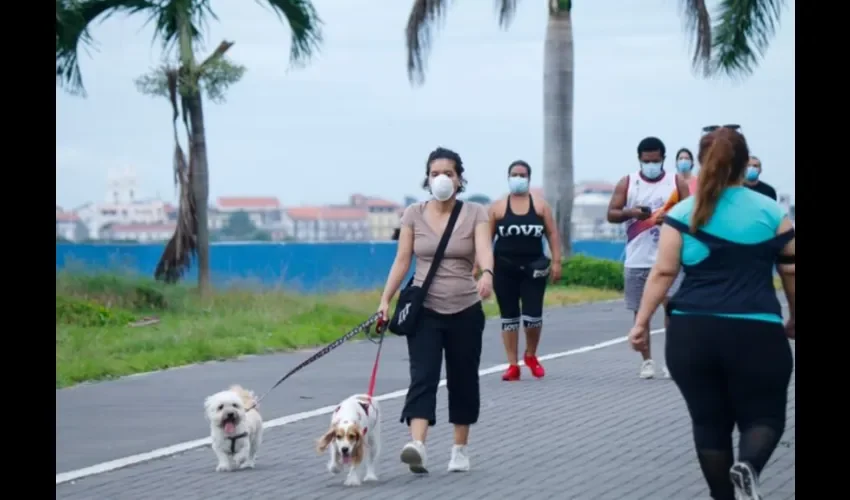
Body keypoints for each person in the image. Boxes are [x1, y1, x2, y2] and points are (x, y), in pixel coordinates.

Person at [628, 127, 795, 500]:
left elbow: (664, 272)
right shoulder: (772, 212)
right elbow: (791, 270)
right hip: (757, 331)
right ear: (743, 163)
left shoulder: (684, 213)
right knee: (765, 417)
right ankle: (748, 465)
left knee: (709, 423)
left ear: (702, 163)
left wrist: (641, 323)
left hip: (692, 334)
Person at [378, 147, 494, 475]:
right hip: (425, 310)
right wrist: (385, 299)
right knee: (423, 376)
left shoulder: (475, 213)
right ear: (427, 179)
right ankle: (418, 445)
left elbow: (485, 250)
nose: (442, 178)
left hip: (466, 309)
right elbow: (403, 259)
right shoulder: (413, 213)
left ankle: (460, 449)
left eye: (448, 172)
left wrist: (487, 274)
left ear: (459, 178)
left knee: (463, 378)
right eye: (435, 173)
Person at [607, 137, 689, 379]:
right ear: (640, 160)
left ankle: (671, 360)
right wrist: (632, 213)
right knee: (640, 313)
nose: (650, 165)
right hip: (637, 259)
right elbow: (611, 213)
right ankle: (647, 361)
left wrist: (672, 218)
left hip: (669, 259)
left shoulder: (676, 182)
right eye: (646, 161)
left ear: (663, 159)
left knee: (672, 310)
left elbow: (693, 212)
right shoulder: (628, 182)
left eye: (655, 161)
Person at [488, 160, 562, 381]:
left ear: (529, 178)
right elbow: (486, 238)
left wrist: (557, 261)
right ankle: (512, 364)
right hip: (504, 268)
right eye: (514, 174)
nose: (518, 178)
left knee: (533, 316)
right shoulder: (498, 207)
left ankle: (530, 354)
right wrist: (482, 268)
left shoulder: (540, 206)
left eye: (522, 175)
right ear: (508, 177)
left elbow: (553, 234)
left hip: (533, 268)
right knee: (509, 317)